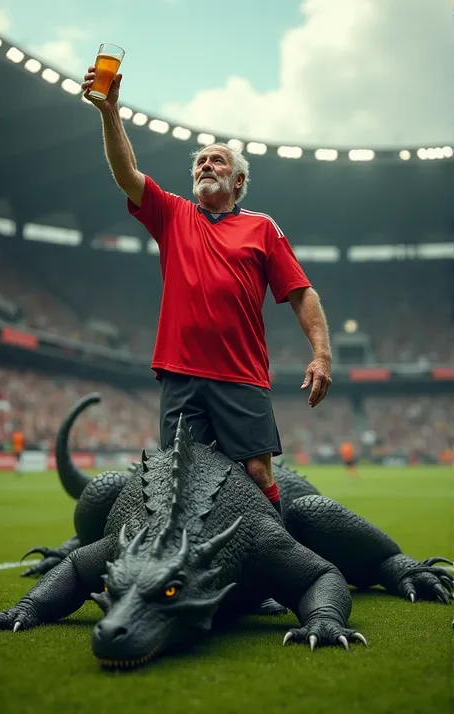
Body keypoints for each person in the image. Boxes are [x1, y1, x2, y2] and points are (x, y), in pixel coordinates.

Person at [81, 67, 332, 517]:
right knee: (182, 483)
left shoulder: (262, 227)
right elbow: (126, 173)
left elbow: (301, 293)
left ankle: (279, 562)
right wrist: (110, 112)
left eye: (217, 161)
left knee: (258, 472)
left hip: (241, 374)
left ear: (238, 183)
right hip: (182, 375)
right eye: (200, 162)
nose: (206, 166)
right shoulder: (174, 214)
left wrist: (322, 355)